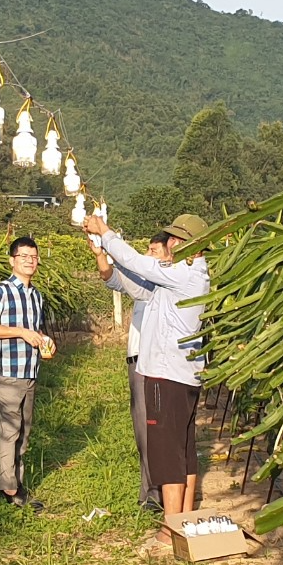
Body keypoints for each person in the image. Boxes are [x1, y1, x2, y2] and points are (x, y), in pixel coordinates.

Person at [83, 212, 209, 540]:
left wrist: (105, 231)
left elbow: (138, 264)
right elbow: (134, 284)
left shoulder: (184, 274)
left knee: (168, 453)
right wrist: (102, 253)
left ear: (182, 244)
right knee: (184, 449)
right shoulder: (183, 277)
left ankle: (170, 531)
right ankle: (184, 520)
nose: (167, 245)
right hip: (183, 374)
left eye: (171, 240)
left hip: (166, 376)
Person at [89, 231, 169, 510]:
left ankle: (159, 492)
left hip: (154, 363)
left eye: (153, 250)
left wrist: (106, 232)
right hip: (136, 361)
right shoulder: (145, 281)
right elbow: (110, 277)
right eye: (147, 249)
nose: (148, 255)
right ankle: (149, 490)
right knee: (142, 429)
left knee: (155, 428)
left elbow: (122, 271)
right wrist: (100, 253)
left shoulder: (164, 284)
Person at [0, 235, 47, 510]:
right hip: (8, 372)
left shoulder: (36, 296)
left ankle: (15, 483)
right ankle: (9, 489)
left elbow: (37, 331)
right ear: (12, 260)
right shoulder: (2, 291)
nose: (30, 261)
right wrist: (20, 332)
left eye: (33, 257)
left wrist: (45, 340)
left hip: (30, 371)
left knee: (24, 432)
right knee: (10, 430)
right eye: (24, 257)